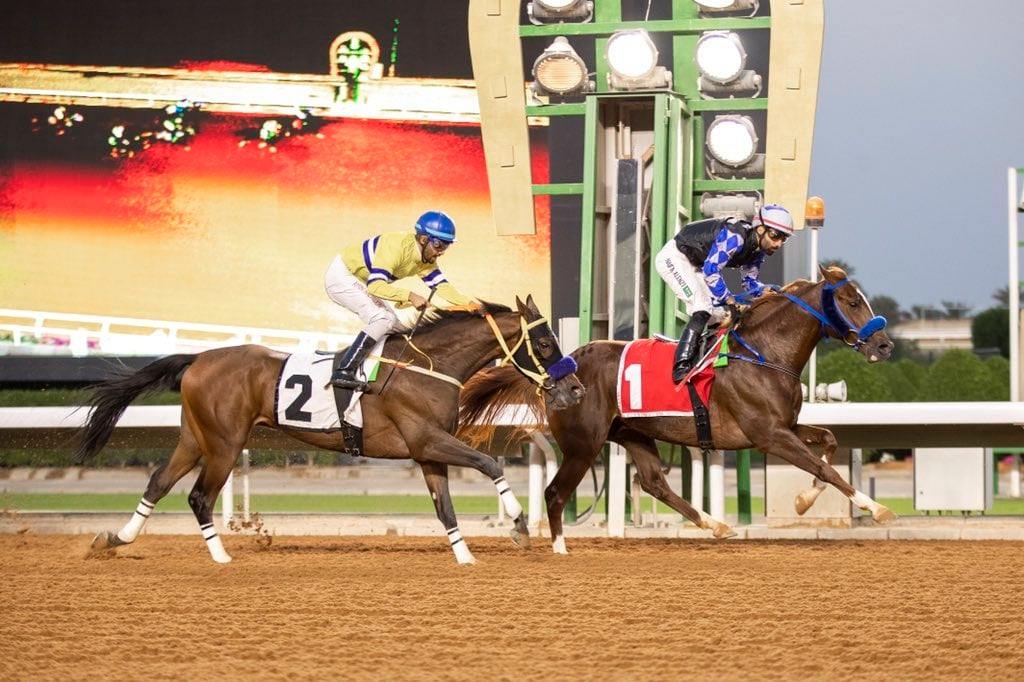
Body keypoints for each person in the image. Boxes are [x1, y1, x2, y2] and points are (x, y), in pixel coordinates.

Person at [324, 210, 481, 390]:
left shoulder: (426, 260)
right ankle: (343, 371)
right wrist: (410, 296)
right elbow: (375, 287)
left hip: (361, 281)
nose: (441, 252)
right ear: (424, 239)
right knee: (383, 319)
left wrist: (468, 304)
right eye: (439, 245)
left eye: (446, 246)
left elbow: (442, 286)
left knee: (398, 328)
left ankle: (378, 375)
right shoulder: (395, 247)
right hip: (343, 276)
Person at [655, 203, 794, 384]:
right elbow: (711, 270)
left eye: (784, 238)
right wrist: (729, 299)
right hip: (675, 259)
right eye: (775, 235)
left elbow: (749, 282)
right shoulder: (735, 236)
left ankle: (706, 359)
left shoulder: (758, 252)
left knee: (720, 315)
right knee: (702, 307)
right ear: (760, 229)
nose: (778, 243)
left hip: (697, 265)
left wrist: (767, 290)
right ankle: (681, 367)